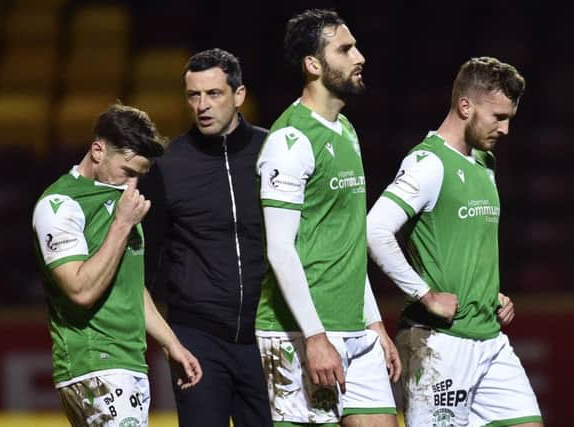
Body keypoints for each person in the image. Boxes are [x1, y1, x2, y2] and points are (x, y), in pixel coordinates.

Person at [367, 57, 543, 426]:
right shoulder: (427, 163)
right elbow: (375, 230)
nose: (506, 129)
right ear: (465, 106)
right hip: (439, 344)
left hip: (489, 339)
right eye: (498, 116)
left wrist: (487, 291)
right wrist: (425, 295)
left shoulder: (485, 162)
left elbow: (464, 244)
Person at [255, 9, 400, 427]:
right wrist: (315, 337)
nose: (360, 57)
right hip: (299, 332)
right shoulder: (290, 140)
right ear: (313, 65)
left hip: (354, 326)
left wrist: (373, 323)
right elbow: (280, 249)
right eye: (345, 49)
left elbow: (346, 242)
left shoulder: (346, 130)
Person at [32, 103, 202, 426]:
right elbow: (80, 290)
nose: (131, 185)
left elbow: (129, 286)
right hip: (96, 364)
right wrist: (122, 225)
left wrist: (171, 344)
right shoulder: (60, 205)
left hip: (127, 363)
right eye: (127, 172)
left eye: (140, 176)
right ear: (98, 150)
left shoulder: (119, 203)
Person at [141, 48, 273, 426]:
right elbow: (143, 269)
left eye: (213, 94)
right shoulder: (167, 166)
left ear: (239, 95)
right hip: (196, 339)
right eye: (193, 95)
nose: (202, 105)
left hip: (265, 335)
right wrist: (169, 342)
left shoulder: (273, 152)